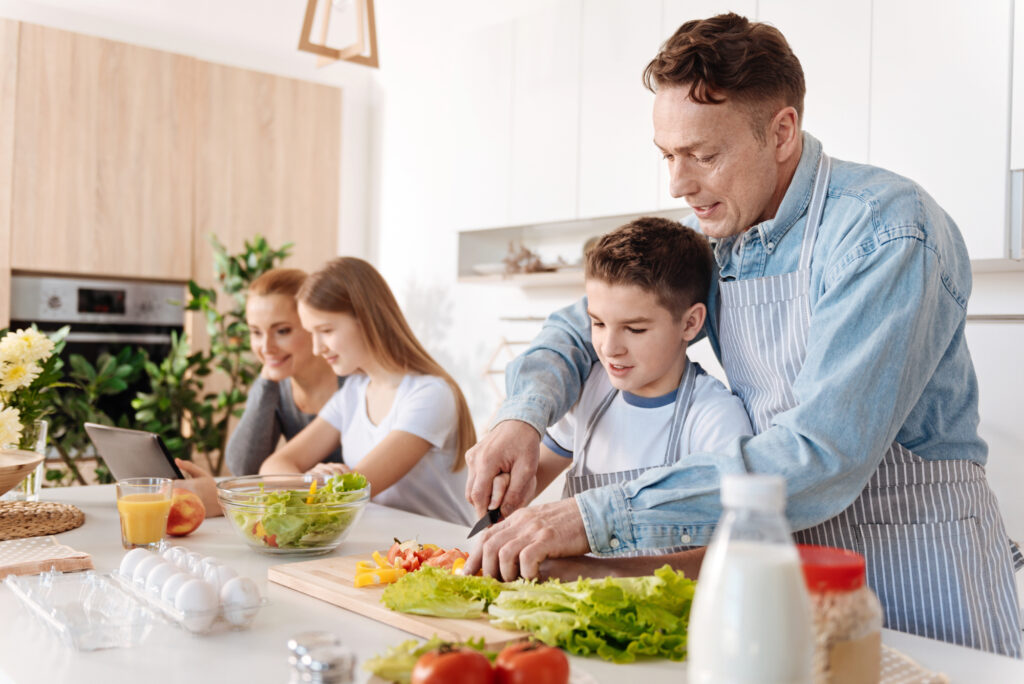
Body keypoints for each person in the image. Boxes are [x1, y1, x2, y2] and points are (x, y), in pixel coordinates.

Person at [464, 13, 1022, 657]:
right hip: (783, 567)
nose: (678, 183)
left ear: (782, 132)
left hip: (914, 573)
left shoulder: (886, 231)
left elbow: (821, 454)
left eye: (704, 155)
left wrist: (592, 516)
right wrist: (522, 419)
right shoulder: (721, 229)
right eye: (669, 155)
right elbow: (576, 325)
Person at [531, 217, 752, 547]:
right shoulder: (591, 389)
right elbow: (531, 477)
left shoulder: (713, 418)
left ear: (690, 324)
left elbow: (734, 549)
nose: (609, 347)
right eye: (598, 323)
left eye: (634, 329)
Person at [259, 257, 476, 526]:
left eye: (325, 330)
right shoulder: (353, 392)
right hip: (388, 549)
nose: (317, 348)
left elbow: (353, 490)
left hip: (444, 554)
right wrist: (310, 480)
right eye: (311, 333)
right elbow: (273, 466)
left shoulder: (430, 395)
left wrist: (321, 482)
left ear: (366, 319)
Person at [224, 269, 343, 476]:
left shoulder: (355, 383)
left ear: (312, 325)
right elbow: (244, 469)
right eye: (256, 332)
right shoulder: (274, 387)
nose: (266, 347)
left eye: (282, 331)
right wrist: (266, 382)